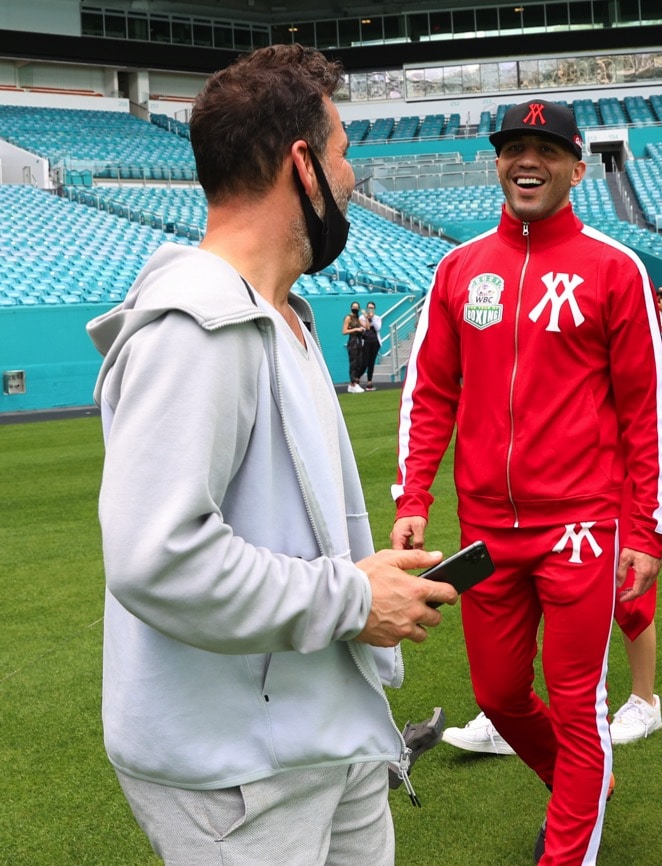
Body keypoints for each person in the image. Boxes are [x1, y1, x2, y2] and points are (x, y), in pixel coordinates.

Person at [85, 43, 455, 865]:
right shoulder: (197, 328)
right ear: (303, 164)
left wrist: (371, 581)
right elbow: (157, 559)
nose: (353, 179)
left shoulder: (280, 314)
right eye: (345, 153)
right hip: (239, 769)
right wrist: (350, 601)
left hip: (327, 730)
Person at [391, 98, 662, 865]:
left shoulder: (615, 269)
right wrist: (413, 496)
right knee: (499, 694)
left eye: (546, 150)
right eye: (515, 147)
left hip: (582, 526)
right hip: (487, 529)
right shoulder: (459, 269)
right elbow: (431, 392)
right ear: (497, 162)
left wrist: (645, 530)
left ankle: (569, 842)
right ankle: (585, 784)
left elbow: (646, 408)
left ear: (578, 168)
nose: (528, 161)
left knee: (578, 703)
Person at [443, 341, 662, 755]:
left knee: (626, 588)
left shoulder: (617, 278)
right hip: (536, 466)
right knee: (521, 588)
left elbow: (661, 386)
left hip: (599, 463)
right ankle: (511, 715)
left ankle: (644, 700)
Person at [342, 301, 367, 392]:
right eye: (354, 307)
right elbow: (344, 331)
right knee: (353, 363)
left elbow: (367, 327)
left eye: (357, 307)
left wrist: (366, 317)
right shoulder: (348, 318)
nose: (355, 309)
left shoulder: (358, 318)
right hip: (352, 342)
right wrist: (356, 329)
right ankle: (353, 383)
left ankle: (355, 382)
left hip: (359, 341)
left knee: (360, 363)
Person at [361, 300, 382, 390]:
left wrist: (372, 318)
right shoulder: (361, 317)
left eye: (372, 308)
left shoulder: (377, 318)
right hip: (366, 341)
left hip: (375, 341)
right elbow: (365, 327)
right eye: (369, 307)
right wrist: (367, 318)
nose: (370, 309)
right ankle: (356, 379)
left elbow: (378, 328)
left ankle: (369, 382)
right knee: (364, 361)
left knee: (371, 362)